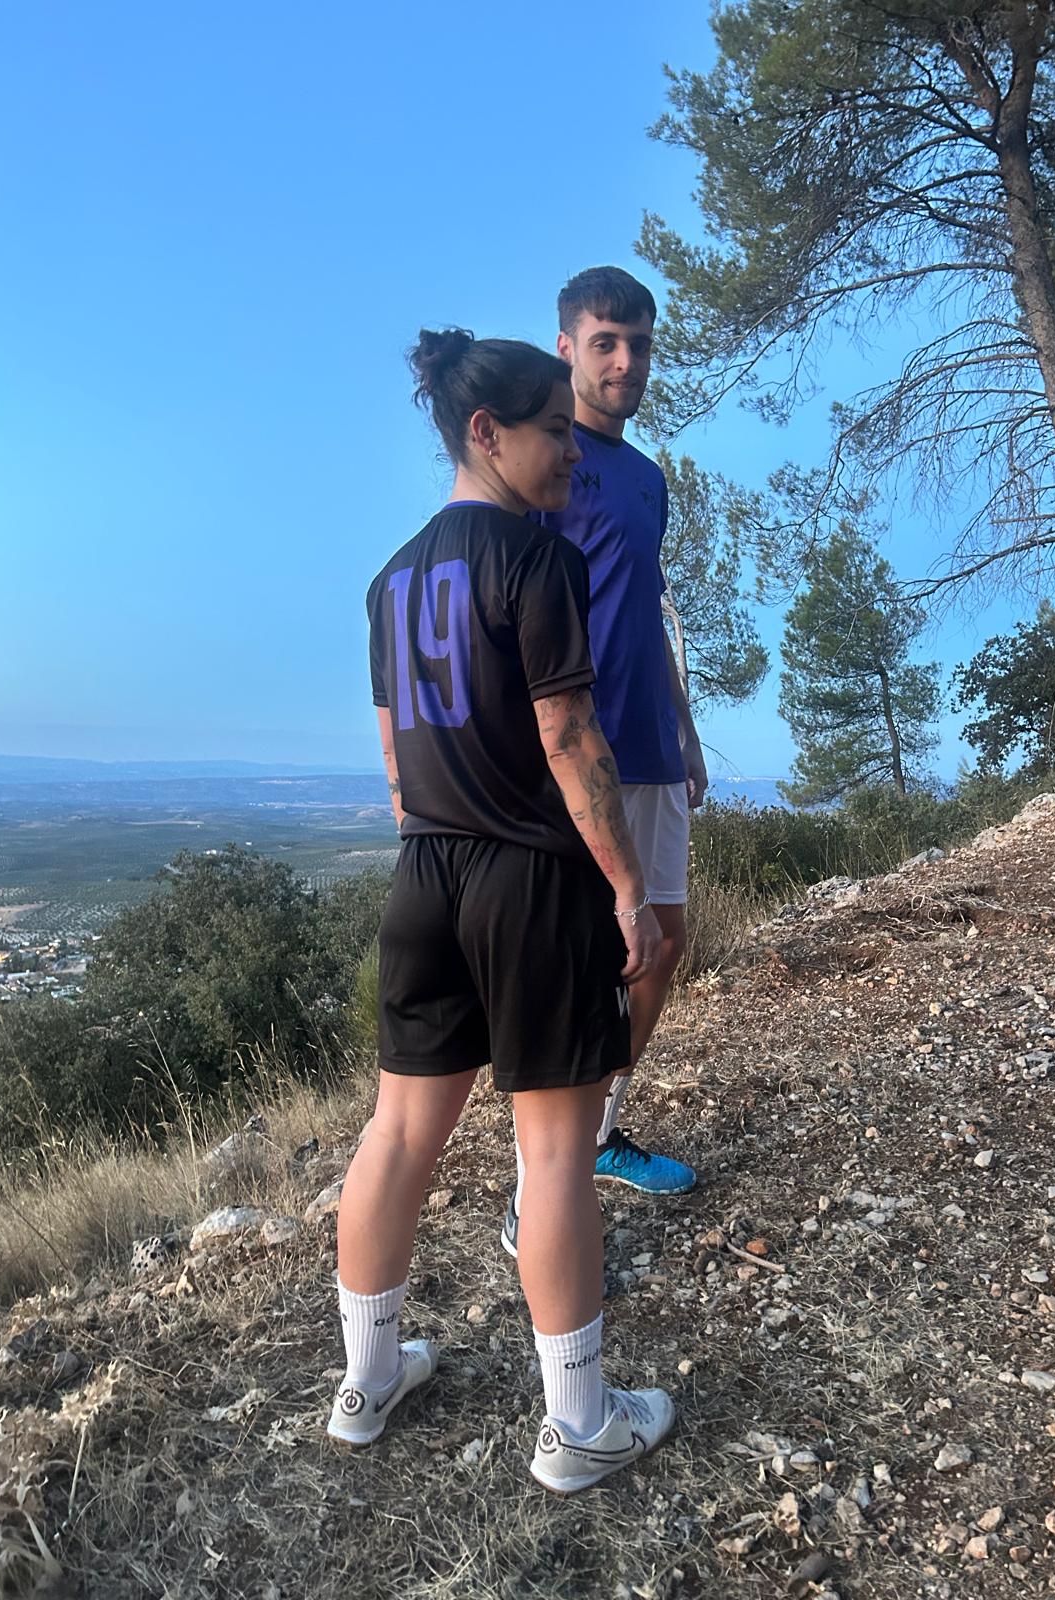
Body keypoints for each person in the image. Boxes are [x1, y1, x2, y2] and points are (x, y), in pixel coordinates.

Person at [327, 328, 675, 1493]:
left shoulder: (390, 580)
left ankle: (368, 1380)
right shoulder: (537, 558)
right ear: (487, 432)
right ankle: (579, 1427)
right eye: (554, 432)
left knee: (396, 1134)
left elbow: (394, 760)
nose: (572, 453)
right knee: (558, 1150)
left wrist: (443, 830)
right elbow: (569, 735)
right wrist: (626, 888)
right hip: (529, 879)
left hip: (425, 873)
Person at [500, 268, 705, 1260]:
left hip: (652, 744)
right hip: (575, 756)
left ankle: (597, 1136)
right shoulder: (542, 462)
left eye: (640, 345)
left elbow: (644, 610)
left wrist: (686, 726)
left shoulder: (648, 480)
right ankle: (536, 1192)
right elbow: (508, 615)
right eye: (606, 342)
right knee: (577, 970)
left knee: (660, 948)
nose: (626, 362)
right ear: (567, 345)